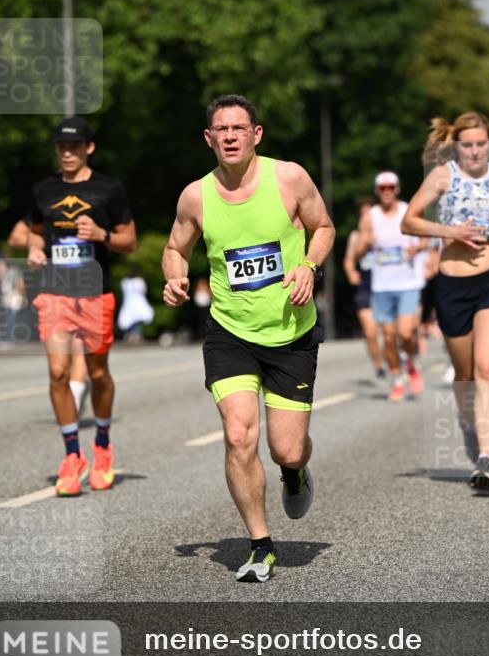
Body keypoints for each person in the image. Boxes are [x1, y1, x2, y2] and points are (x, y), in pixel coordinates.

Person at [162, 94, 334, 582]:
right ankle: (261, 544)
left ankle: (295, 470)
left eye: (240, 128)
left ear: (257, 134)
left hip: (290, 331)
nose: (231, 136)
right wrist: (174, 275)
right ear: (209, 138)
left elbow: (323, 226)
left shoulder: (289, 178)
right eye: (222, 129)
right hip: (229, 332)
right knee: (239, 434)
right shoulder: (196, 195)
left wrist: (308, 265)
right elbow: (175, 246)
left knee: (286, 449)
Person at [402, 112, 489, 492]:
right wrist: (451, 231)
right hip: (453, 285)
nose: (476, 151)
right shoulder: (443, 177)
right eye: (468, 144)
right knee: (464, 375)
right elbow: (409, 221)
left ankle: (486, 458)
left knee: (486, 367)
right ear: (457, 146)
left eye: (482, 143)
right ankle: (469, 423)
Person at [26, 116, 136, 495]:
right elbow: (32, 231)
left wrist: (102, 235)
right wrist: (34, 247)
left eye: (74, 147)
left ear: (89, 148)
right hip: (55, 293)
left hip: (95, 294)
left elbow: (130, 241)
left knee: (98, 374)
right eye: (61, 147)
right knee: (58, 373)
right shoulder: (43, 190)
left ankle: (102, 444)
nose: (67, 153)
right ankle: (72, 455)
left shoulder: (109, 189)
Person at [9, 218, 91, 414]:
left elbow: (121, 238)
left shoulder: (96, 199)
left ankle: (76, 395)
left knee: (79, 344)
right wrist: (45, 238)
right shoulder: (45, 202)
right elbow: (15, 238)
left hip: (88, 284)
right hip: (53, 288)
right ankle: (75, 387)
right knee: (61, 357)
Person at [357, 171, 427, 401]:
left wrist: (416, 249)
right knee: (388, 337)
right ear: (378, 191)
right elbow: (358, 252)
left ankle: (411, 363)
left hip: (407, 282)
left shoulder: (409, 210)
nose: (387, 191)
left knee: (405, 332)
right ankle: (397, 378)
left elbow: (425, 238)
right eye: (382, 188)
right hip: (382, 286)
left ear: (397, 189)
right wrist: (366, 244)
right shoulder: (370, 217)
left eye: (391, 187)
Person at [343, 197, 386, 381]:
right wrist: (351, 271)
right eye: (363, 213)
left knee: (390, 332)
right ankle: (379, 366)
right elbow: (349, 260)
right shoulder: (355, 236)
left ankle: (397, 360)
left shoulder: (385, 230)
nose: (366, 217)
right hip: (366, 286)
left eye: (369, 212)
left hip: (386, 285)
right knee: (370, 333)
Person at [118, 266, 154, 344]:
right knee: (135, 321)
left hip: (130, 303)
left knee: (132, 320)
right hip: (136, 303)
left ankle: (132, 336)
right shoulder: (139, 281)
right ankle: (134, 336)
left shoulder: (125, 282)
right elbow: (144, 291)